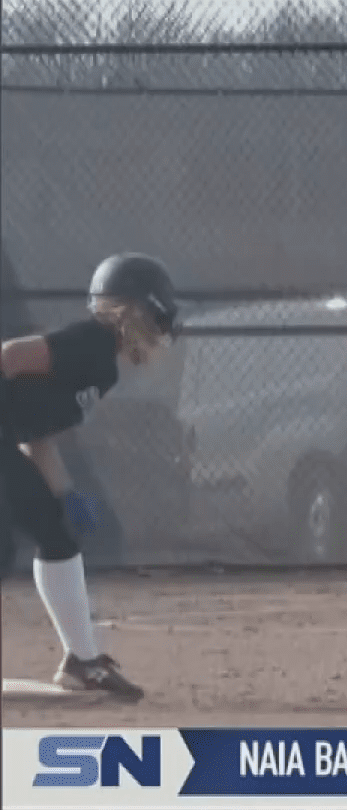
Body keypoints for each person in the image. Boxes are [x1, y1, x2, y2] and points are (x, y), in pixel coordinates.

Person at [1, 253, 178, 700]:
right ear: (140, 308)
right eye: (159, 316)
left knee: (55, 532)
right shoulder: (92, 342)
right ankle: (82, 661)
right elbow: (9, 356)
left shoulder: (104, 369)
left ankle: (82, 661)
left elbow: (36, 439)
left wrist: (68, 493)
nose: (163, 331)